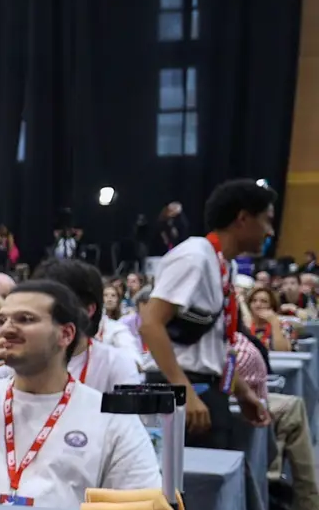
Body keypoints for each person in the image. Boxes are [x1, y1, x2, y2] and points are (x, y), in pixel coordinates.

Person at [0, 281, 160, 505]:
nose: (7, 328)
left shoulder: (111, 417)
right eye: (2, 320)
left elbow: (141, 508)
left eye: (25, 319)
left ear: (65, 334)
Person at [142, 179, 276, 444]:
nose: (270, 232)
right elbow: (150, 324)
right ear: (243, 219)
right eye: (266, 221)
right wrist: (185, 392)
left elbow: (215, 346)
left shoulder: (224, 265)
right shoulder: (194, 257)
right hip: (181, 390)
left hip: (206, 387)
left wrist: (242, 392)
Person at [33, 259, 143, 392]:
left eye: (55, 305)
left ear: (88, 309)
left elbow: (135, 361)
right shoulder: (15, 363)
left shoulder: (116, 364)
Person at [249, 284, 297, 353]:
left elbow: (283, 353)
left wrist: (274, 323)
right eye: (254, 301)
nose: (258, 305)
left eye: (263, 301)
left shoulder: (285, 325)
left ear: (272, 306)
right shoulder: (245, 326)